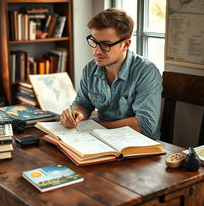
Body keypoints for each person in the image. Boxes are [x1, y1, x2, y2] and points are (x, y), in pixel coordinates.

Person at [60, 8, 162, 139]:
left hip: (140, 148)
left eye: (105, 45)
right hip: (102, 141)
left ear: (126, 44)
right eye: (94, 42)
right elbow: (83, 104)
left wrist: (95, 127)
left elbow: (145, 125)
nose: (97, 51)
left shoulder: (146, 72)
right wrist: (75, 115)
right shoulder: (90, 68)